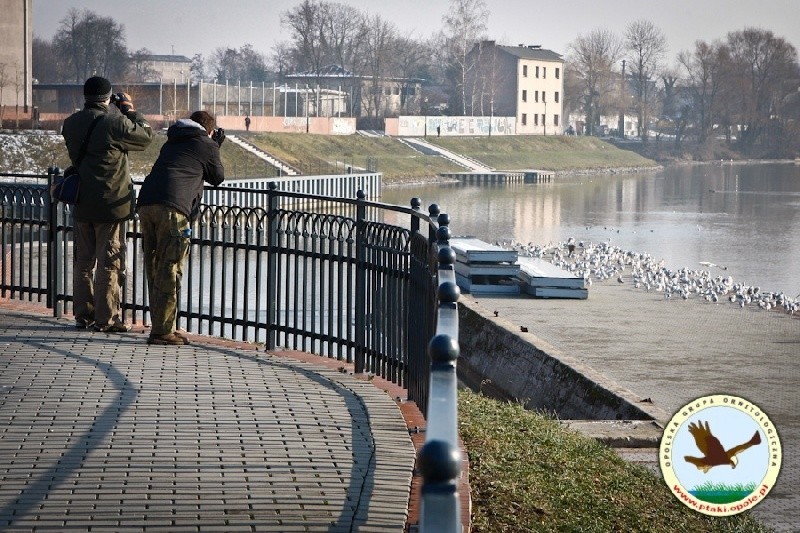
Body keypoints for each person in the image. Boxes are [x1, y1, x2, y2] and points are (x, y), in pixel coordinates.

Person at [62, 76, 153, 332]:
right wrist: (129, 110)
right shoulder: (114, 122)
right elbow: (145, 137)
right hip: (112, 204)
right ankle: (107, 318)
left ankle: (84, 314)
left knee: (83, 262)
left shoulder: (71, 123)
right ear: (108, 97)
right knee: (109, 262)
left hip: (82, 203)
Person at [136, 111, 225, 345]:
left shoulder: (172, 140)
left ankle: (161, 325)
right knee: (170, 267)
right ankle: (163, 332)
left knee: (154, 266)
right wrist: (215, 145)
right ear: (209, 130)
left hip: (146, 204)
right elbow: (217, 177)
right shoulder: (206, 144)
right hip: (173, 208)